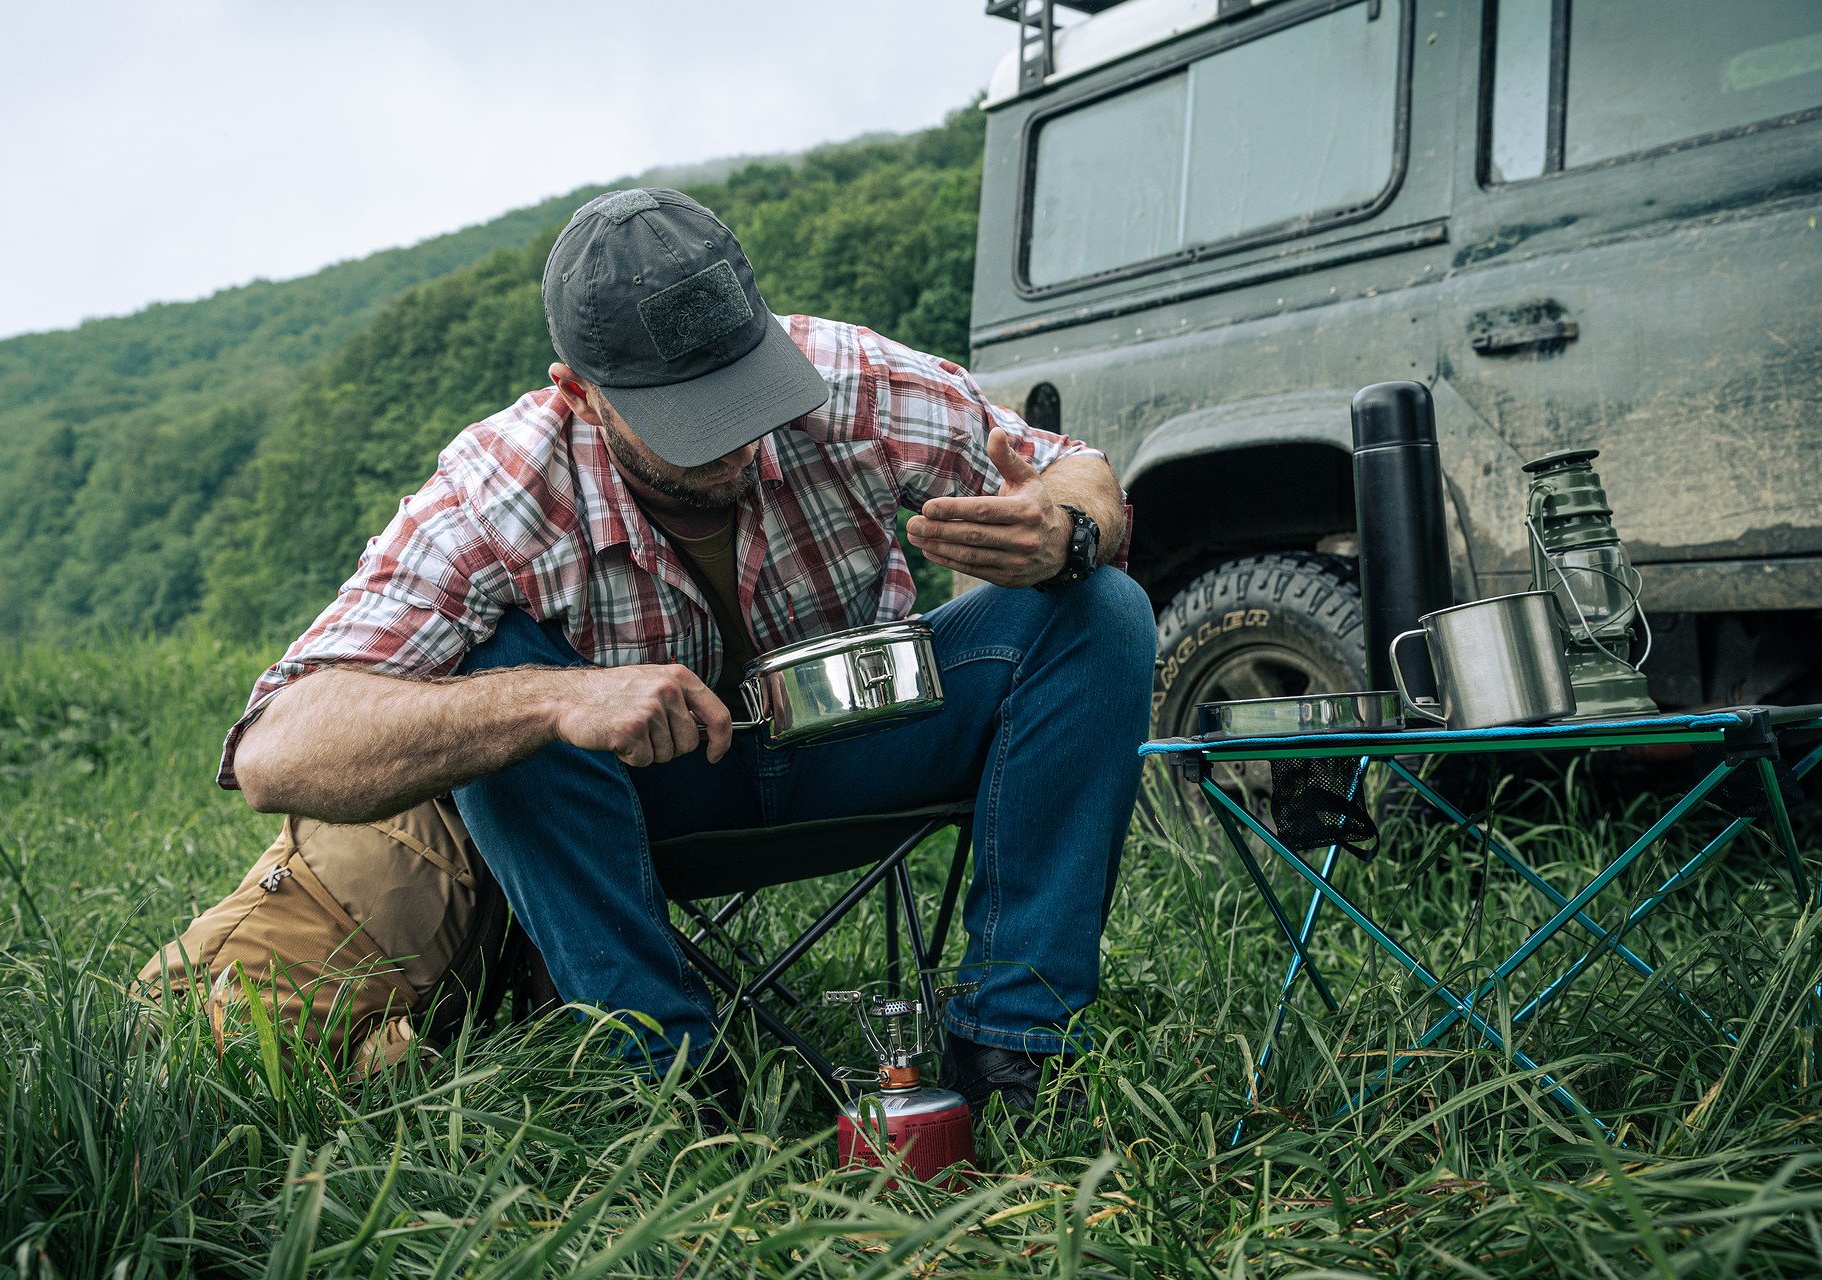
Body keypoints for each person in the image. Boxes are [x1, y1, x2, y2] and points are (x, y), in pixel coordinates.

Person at [221, 187, 1156, 1118]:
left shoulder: (848, 376)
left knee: (1100, 609)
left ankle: (1017, 1055)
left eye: (746, 389)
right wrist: (553, 702)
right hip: (645, 800)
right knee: (492, 674)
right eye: (688, 417)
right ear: (580, 393)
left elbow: (1076, 464)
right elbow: (275, 748)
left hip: (862, 736)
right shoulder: (497, 490)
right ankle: (667, 1083)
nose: (736, 437)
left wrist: (1063, 525)